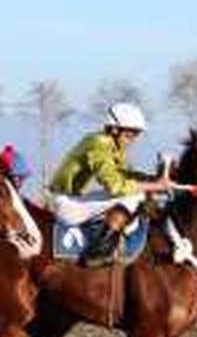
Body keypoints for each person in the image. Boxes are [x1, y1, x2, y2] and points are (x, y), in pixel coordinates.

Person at [47, 102, 172, 262]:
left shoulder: (112, 145)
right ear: (114, 130)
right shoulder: (99, 143)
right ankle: (99, 252)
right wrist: (155, 185)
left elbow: (124, 175)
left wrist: (153, 179)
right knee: (135, 196)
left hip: (76, 199)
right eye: (130, 135)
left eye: (136, 135)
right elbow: (115, 186)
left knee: (136, 192)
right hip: (66, 204)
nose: (132, 140)